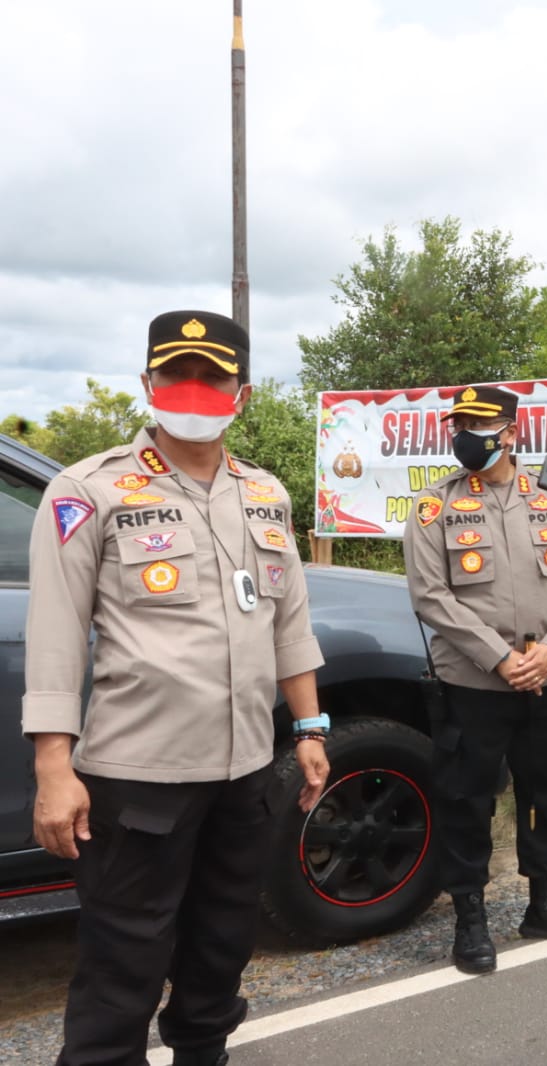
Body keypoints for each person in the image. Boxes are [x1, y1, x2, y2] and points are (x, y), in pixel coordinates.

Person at [24, 311, 328, 1066]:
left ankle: (203, 1053)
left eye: (212, 377)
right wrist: (53, 768)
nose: (193, 389)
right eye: (177, 374)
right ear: (148, 383)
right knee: (122, 966)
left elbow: (288, 620)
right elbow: (56, 632)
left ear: (242, 394)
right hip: (139, 777)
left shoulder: (265, 494)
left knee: (222, 950)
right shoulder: (86, 490)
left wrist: (312, 728)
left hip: (245, 772)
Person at [404, 384, 547, 975]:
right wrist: (499, 657)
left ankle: (545, 904)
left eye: (479, 424)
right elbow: (430, 596)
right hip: (473, 683)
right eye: (458, 423)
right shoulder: (433, 506)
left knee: (545, 794)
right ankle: (470, 921)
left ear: (511, 432)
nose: (466, 433)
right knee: (467, 800)